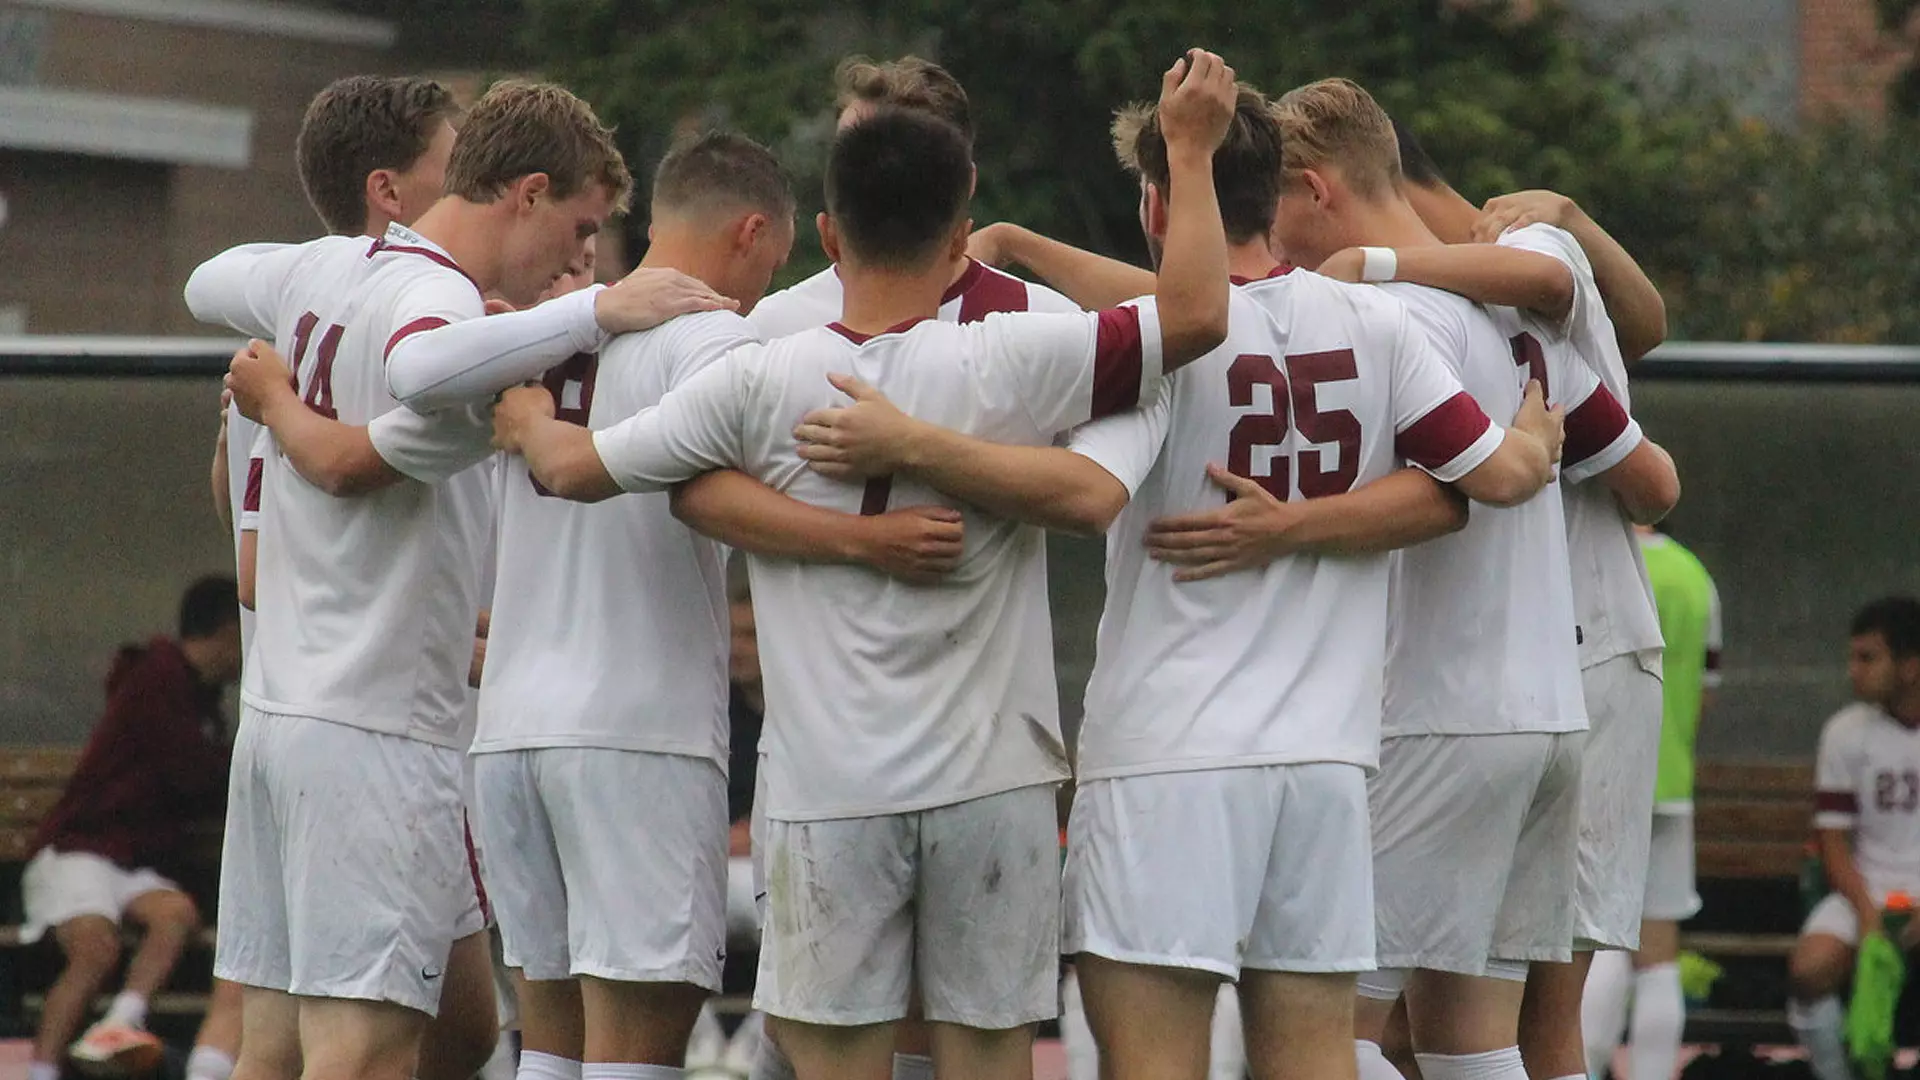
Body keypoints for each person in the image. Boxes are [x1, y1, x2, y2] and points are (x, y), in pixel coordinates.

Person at [779, 83, 1565, 1080]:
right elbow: (1489, 480)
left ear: (1158, 202)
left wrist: (908, 442)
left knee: (1154, 1062)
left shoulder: (1155, 350)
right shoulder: (1375, 325)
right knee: (1315, 1059)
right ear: (1275, 194)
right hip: (1324, 767)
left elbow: (1089, 483)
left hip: (1169, 762)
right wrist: (1533, 437)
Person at [489, 50, 1241, 1080]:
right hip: (992, 778)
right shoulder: (1019, 353)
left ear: (830, 233)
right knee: (990, 1060)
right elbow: (1197, 315)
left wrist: (527, 416)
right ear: (959, 229)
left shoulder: (758, 369)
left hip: (827, 786)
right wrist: (1188, 152)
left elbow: (589, 473)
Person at [183, 80, 718, 1080]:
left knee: (348, 1041)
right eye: (581, 228)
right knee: (362, 1053)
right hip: (376, 731)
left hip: (285, 716)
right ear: (528, 193)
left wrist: (278, 388)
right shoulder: (442, 310)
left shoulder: (330, 266)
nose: (581, 257)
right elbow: (421, 372)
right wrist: (596, 312)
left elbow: (208, 282)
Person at [1257, 77, 1676, 1080]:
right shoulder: (1512, 321)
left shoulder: (1427, 298)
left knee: (1313, 1029)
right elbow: (1654, 476)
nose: (1267, 243)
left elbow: (1453, 494)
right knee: (1470, 1038)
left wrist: (1281, 526)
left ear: (1316, 188)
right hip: (1553, 701)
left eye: (1267, 209)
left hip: (1456, 703)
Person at [464, 131, 797, 1080]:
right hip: (637, 735)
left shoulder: (545, 329)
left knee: (548, 1043)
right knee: (636, 1048)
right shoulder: (715, 342)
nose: (769, 286)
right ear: (751, 232)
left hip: (513, 732)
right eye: (774, 261)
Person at [21, 578, 241, 1080]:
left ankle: (119, 1024)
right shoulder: (156, 678)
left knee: (175, 914)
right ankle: (41, 1072)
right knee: (96, 949)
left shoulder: (203, 701)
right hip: (78, 850)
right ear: (229, 630)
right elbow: (191, 772)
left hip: (130, 860)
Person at [1583, 527, 1722, 1080]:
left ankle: (1584, 1068)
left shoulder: (1590, 557)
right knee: (1659, 954)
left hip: (1599, 775)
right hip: (1670, 780)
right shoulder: (1695, 576)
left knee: (1596, 940)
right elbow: (1706, 690)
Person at [1788, 596, 1920, 1080]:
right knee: (1809, 971)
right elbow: (1833, 842)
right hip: (1865, 890)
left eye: (1868, 658)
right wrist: (1867, 913)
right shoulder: (1844, 732)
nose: (1853, 671)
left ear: (1910, 667)